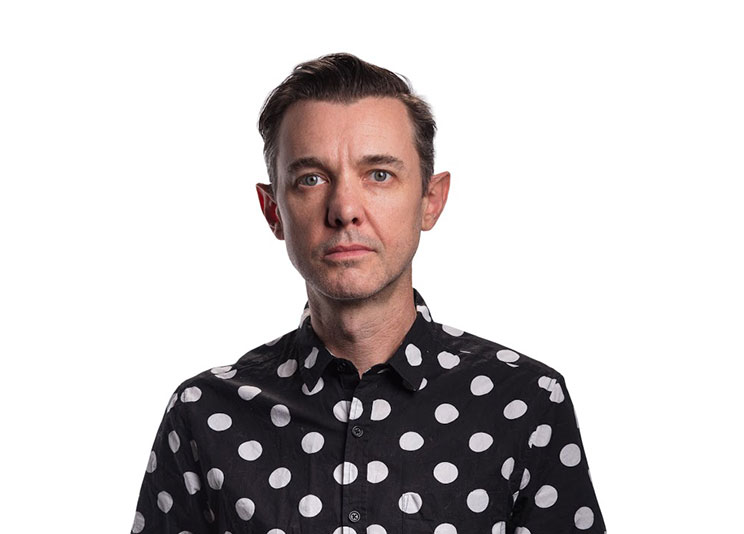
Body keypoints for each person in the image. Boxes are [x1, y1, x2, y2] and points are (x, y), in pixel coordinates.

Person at [130, 52, 607, 534]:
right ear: (274, 211)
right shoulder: (203, 414)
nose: (344, 209)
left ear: (430, 200)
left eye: (379, 174)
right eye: (311, 179)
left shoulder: (525, 404)